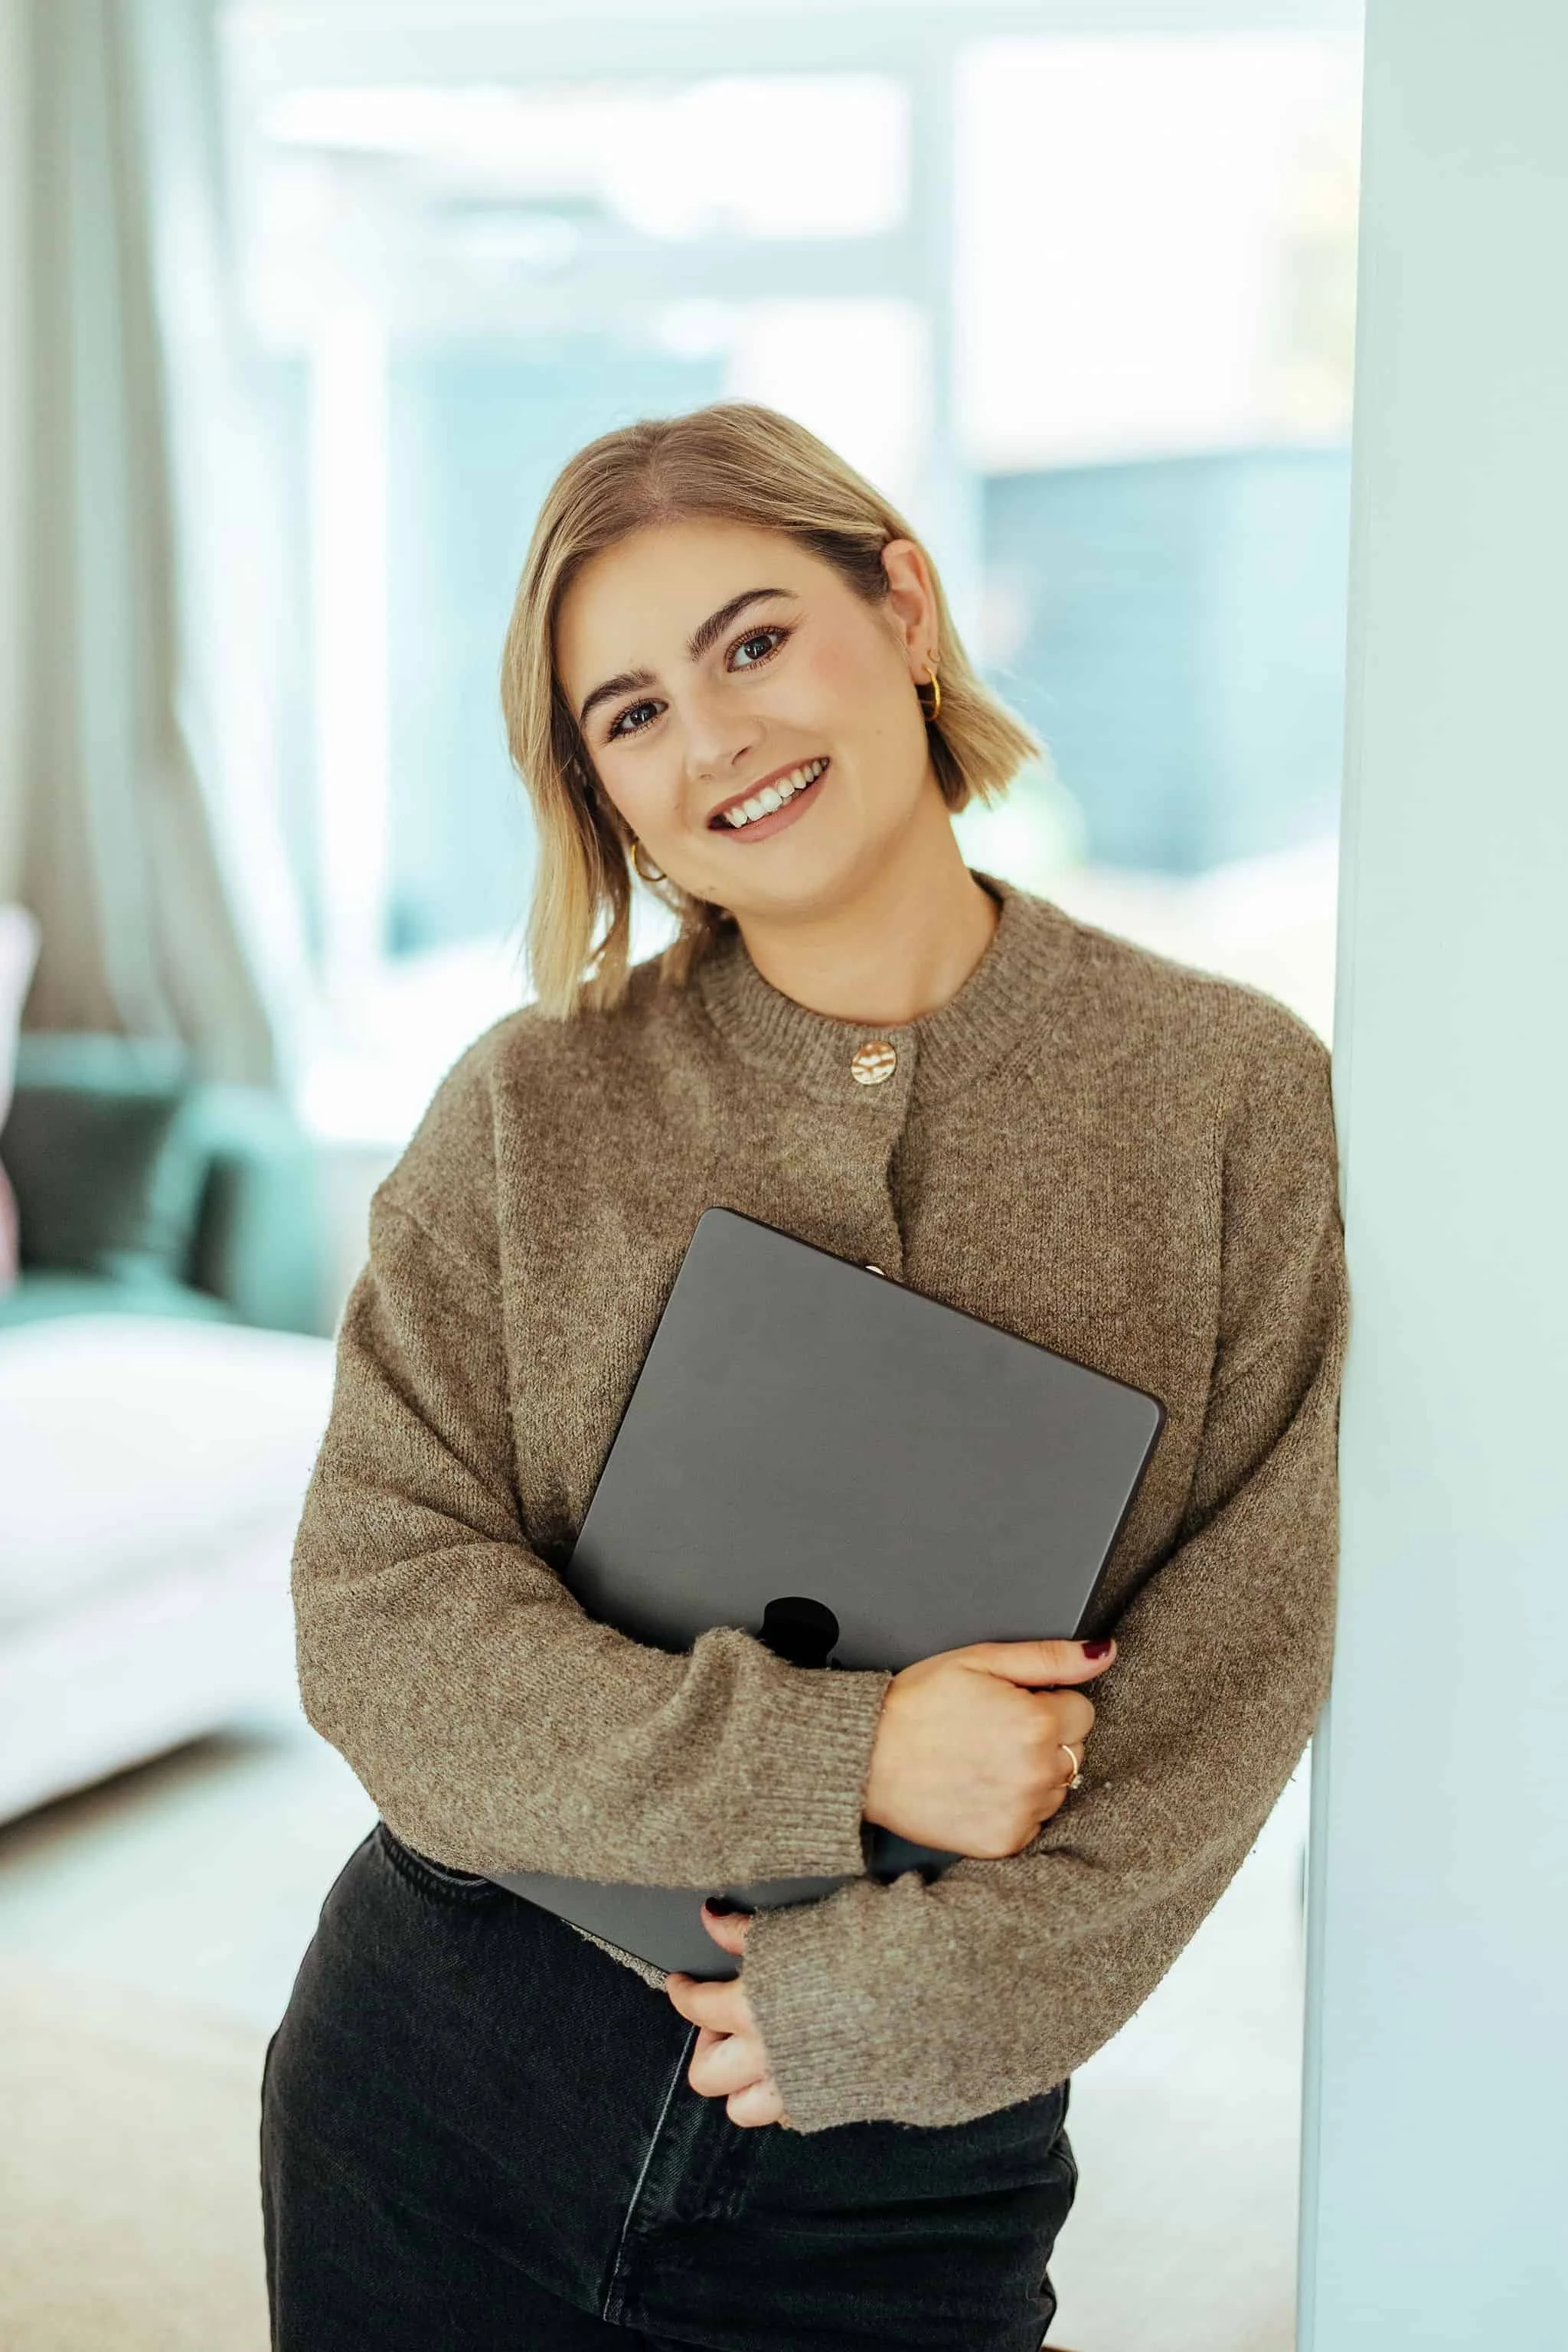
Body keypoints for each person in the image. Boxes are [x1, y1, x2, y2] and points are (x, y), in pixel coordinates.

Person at [260, 402, 1348, 2351]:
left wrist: (897, 2008)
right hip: (432, 2096)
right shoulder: (529, 1108)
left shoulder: (1228, 1101)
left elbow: (1240, 1661)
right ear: (601, 794)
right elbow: (380, 1620)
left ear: (903, 607)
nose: (719, 741)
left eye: (754, 641)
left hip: (903, 2168)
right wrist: (841, 1757)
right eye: (632, 715)